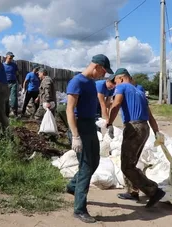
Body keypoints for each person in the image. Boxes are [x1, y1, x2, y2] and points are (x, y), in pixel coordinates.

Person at [106, 68, 165, 208]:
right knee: (131, 162)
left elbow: (116, 105)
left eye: (115, 81)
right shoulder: (139, 92)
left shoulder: (122, 87)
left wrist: (108, 122)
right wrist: (157, 132)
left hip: (134, 128)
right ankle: (132, 192)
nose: (115, 85)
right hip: (144, 128)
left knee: (127, 166)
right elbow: (150, 115)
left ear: (120, 78)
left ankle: (153, 190)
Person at [66, 54, 114, 223]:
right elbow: (70, 110)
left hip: (90, 126)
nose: (104, 75)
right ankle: (79, 209)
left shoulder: (91, 83)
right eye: (103, 71)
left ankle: (73, 186)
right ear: (97, 67)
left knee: (94, 161)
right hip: (80, 128)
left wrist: (99, 121)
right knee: (86, 166)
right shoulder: (77, 81)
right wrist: (75, 136)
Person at [3, 51, 20, 117]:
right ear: (6, 57)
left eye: (12, 58)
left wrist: (19, 82)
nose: (11, 59)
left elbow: (17, 74)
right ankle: (6, 113)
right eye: (10, 58)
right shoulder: (3, 66)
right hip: (5, 83)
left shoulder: (14, 65)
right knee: (5, 98)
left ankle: (15, 112)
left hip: (13, 82)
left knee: (14, 97)